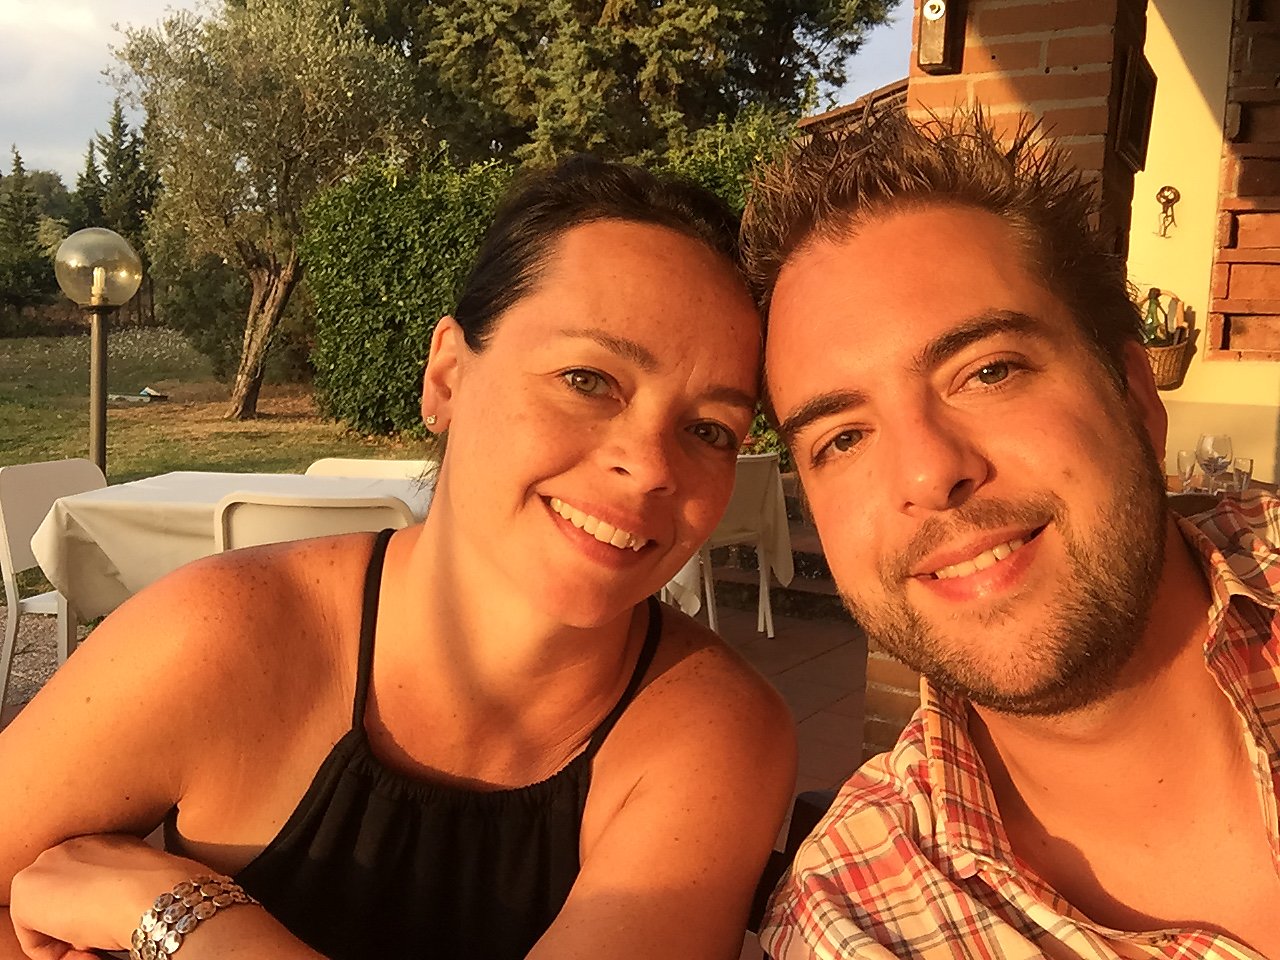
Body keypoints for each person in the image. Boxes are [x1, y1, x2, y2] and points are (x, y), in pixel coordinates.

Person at [0, 156, 796, 960]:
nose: (652, 466)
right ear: (446, 375)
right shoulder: (225, 638)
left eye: (710, 430)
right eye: (588, 379)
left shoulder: (711, 732)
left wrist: (183, 920)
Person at [739, 109, 1280, 958]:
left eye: (988, 371)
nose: (929, 473)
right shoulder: (848, 926)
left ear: (1135, 395)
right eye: (842, 438)